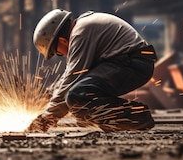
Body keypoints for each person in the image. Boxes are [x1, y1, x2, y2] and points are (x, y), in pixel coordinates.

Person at [26, 9, 158, 133]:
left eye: (58, 53)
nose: (63, 55)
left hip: (134, 64)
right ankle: (131, 118)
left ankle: (137, 118)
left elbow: (72, 80)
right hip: (126, 62)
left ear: (62, 40)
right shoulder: (82, 28)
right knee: (79, 102)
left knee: (78, 95)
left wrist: (45, 120)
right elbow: (69, 76)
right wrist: (48, 97)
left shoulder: (80, 33)